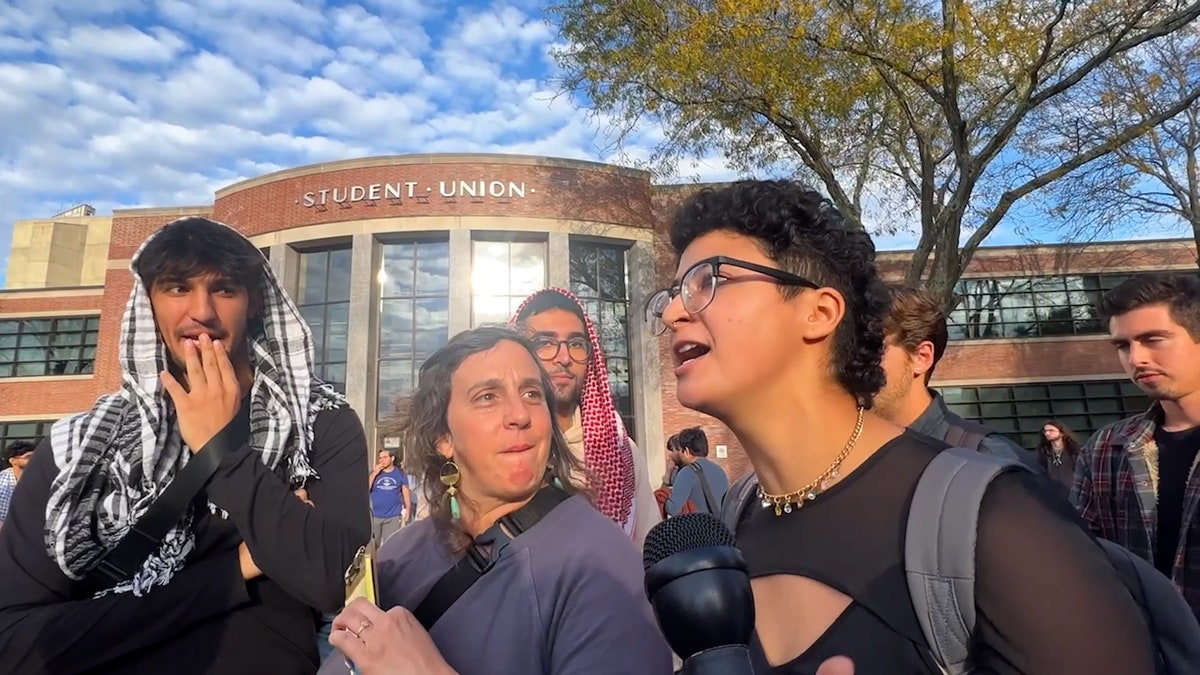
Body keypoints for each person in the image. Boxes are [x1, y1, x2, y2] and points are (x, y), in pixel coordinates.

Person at [647, 180, 1154, 674]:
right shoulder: (733, 520)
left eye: (709, 280)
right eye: (675, 292)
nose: (673, 313)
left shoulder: (995, 520)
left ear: (819, 312)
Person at [0, 216, 371, 674]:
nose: (202, 312)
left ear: (254, 302)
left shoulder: (317, 424)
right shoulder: (82, 447)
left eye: (224, 289)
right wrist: (235, 570)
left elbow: (337, 579)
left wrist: (227, 455)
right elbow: (16, 644)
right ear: (150, 304)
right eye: (177, 288)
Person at [319, 326, 673, 674]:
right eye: (487, 396)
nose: (520, 415)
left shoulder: (601, 564)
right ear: (443, 436)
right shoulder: (399, 556)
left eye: (533, 394)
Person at [1073, 273, 1200, 619]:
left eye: (1153, 339)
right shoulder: (1105, 449)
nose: (1136, 359)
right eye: (1123, 345)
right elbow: (1081, 560)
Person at [510, 288, 659, 547]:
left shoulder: (619, 450)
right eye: (545, 342)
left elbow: (646, 550)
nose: (565, 358)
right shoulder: (496, 442)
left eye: (576, 344)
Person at [872, 284, 1035, 465]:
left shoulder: (990, 463)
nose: (850, 366)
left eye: (870, 350)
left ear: (921, 357)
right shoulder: (843, 460)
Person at [663, 427, 729, 516]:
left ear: (686, 451)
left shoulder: (687, 473)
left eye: (679, 450)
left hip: (698, 527)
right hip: (718, 526)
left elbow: (672, 509)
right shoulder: (719, 470)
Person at [369, 450, 411, 545]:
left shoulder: (400, 474)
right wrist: (374, 473)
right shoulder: (375, 473)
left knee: (390, 544)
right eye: (380, 458)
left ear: (392, 459)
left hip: (393, 516)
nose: (381, 460)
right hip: (374, 516)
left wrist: (407, 508)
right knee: (373, 545)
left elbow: (405, 492)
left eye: (385, 457)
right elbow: (366, 488)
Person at [1036, 420, 1080, 496]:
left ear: (1062, 433)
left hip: (1072, 491)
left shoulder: (1073, 451)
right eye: (1045, 431)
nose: (1047, 433)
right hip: (1052, 492)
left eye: (1051, 430)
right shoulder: (1043, 452)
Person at [0, 440, 34, 526]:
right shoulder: (2, 482)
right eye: (28, 457)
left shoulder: (38, 478)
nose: (33, 460)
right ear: (13, 461)